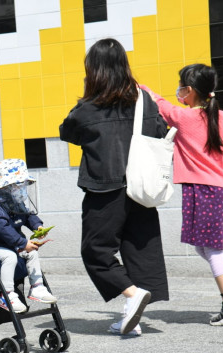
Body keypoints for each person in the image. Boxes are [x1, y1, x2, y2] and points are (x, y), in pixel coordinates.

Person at [59, 38, 169, 336]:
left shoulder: (89, 108)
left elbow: (67, 132)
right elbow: (159, 131)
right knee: (138, 249)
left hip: (105, 188)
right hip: (142, 186)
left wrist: (87, 98)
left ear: (93, 70)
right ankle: (131, 313)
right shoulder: (144, 99)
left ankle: (132, 296)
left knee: (96, 251)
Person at [141, 64, 223, 326]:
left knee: (212, 248)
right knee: (202, 245)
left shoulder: (183, 118)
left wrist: (138, 87)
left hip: (203, 190)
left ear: (189, 90)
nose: (178, 91)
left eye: (181, 86)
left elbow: (158, 103)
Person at [0, 159, 57, 313]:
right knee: (10, 256)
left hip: (10, 243)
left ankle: (37, 287)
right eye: (19, 185)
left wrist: (38, 226)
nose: (23, 189)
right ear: (6, 187)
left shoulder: (13, 202)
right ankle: (7, 295)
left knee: (32, 253)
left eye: (24, 185)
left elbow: (28, 215)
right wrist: (22, 243)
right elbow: (3, 229)